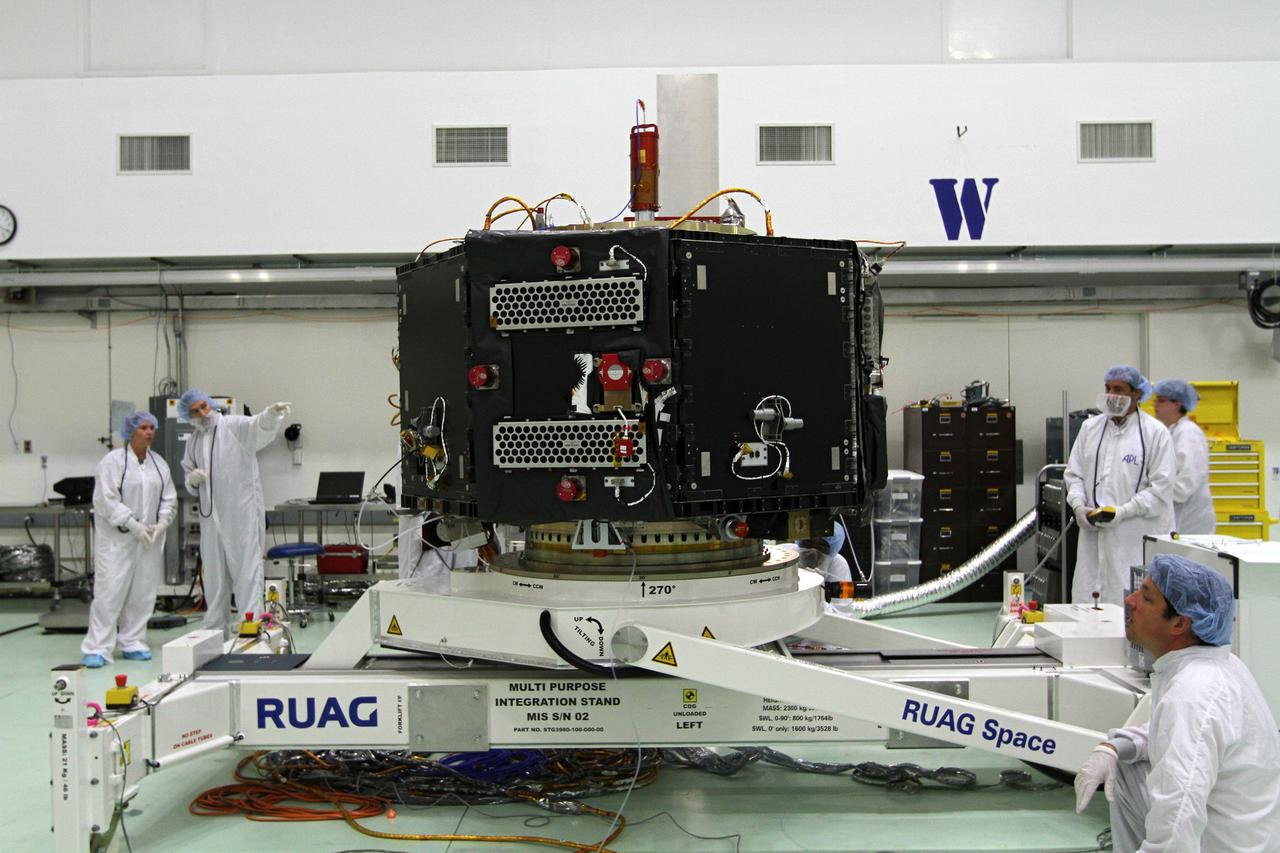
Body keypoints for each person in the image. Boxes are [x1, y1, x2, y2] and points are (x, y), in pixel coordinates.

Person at [1074, 554, 1280, 851]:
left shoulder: (1193, 691)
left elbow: (1178, 812)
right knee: (1127, 767)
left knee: (1148, 790)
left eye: (1145, 597)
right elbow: (1168, 732)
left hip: (1224, 844)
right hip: (1242, 833)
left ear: (1180, 623)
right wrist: (1114, 746)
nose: (1130, 601)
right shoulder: (1213, 666)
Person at [179, 389, 291, 636]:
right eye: (195, 412)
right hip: (211, 521)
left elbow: (258, 428)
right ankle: (214, 631)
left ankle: (249, 627)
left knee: (246, 573)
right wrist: (193, 480)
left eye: (203, 407)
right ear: (188, 417)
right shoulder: (194, 441)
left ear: (211, 405)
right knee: (215, 578)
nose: (202, 414)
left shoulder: (233, 426)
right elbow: (188, 473)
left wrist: (271, 415)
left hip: (241, 516)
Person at [1063, 366, 1175, 605]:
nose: (1111, 395)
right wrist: (1078, 505)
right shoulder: (1090, 429)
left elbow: (1160, 490)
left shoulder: (1155, 434)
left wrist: (1122, 512)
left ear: (1136, 393)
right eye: (1108, 388)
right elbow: (1074, 474)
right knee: (1087, 601)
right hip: (1093, 538)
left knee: (1128, 604)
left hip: (1132, 538)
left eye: (1118, 389)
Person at [81, 411, 177, 667]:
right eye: (143, 427)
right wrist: (133, 524)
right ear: (131, 431)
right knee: (109, 592)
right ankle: (98, 647)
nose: (149, 432)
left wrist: (162, 523)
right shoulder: (112, 462)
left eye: (151, 428)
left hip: (149, 541)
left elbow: (169, 498)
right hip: (117, 541)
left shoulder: (159, 463)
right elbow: (105, 499)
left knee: (143, 593)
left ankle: (133, 641)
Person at [1152, 379, 1215, 535]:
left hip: (1190, 521)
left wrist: (1154, 497)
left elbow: (1187, 480)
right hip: (1177, 517)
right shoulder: (1170, 431)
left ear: (1177, 404)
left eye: (1161, 401)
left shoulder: (1188, 433)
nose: (1155, 405)